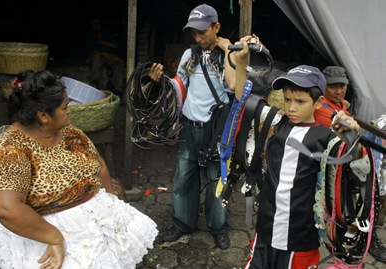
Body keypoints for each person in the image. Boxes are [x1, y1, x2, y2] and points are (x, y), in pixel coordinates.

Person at [0, 70, 158, 269]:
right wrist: (54, 238)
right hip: (44, 234)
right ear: (43, 116)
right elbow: (6, 207)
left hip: (93, 225)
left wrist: (113, 202)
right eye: (65, 107)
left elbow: (98, 163)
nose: (70, 110)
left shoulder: (68, 132)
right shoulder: (10, 152)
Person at [233, 37, 364, 268]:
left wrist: (354, 137)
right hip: (265, 230)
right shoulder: (275, 120)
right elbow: (243, 98)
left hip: (299, 240)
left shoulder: (327, 138)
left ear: (318, 102)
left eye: (300, 101)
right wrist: (241, 62)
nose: (291, 107)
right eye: (287, 99)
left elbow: (358, 166)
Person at [148, 4, 236, 249]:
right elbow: (178, 86)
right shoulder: (189, 55)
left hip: (215, 129)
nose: (198, 38)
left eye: (203, 32)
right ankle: (182, 224)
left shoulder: (229, 55)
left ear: (216, 27)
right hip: (189, 126)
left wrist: (228, 51)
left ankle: (218, 227)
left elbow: (234, 89)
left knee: (215, 178)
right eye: (194, 33)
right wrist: (159, 84)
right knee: (184, 178)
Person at [314, 65, 386, 263]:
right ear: (323, 88)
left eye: (342, 86)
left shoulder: (341, 105)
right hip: (330, 167)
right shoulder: (324, 109)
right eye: (333, 86)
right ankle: (350, 240)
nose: (339, 91)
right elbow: (347, 138)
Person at [85, 18, 125, 94]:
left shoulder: (107, 34)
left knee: (118, 66)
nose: (97, 26)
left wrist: (104, 44)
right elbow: (91, 50)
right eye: (94, 24)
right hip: (98, 57)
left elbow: (115, 46)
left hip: (110, 57)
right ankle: (95, 81)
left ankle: (118, 89)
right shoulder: (90, 36)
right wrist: (103, 55)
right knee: (96, 58)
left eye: (98, 23)